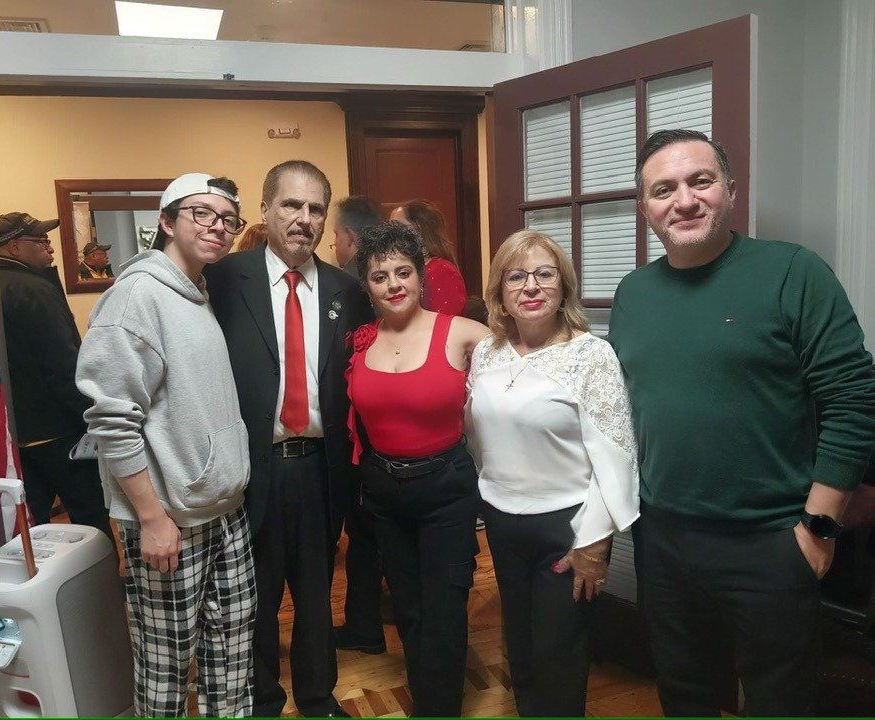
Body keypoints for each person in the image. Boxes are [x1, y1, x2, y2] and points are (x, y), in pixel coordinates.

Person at [608, 129, 875, 716]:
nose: (684, 200)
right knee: (684, 696)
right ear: (644, 207)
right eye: (663, 189)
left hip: (771, 540)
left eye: (700, 181)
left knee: (781, 702)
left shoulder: (793, 272)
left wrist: (819, 527)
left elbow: (853, 399)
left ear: (730, 189)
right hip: (665, 540)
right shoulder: (633, 294)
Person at [76, 173, 256, 717]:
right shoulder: (136, 296)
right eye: (201, 213)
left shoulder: (199, 293)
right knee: (165, 667)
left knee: (232, 655)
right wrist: (152, 518)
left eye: (228, 219)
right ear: (166, 221)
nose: (217, 227)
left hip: (224, 509)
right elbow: (111, 420)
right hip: (167, 519)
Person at [204, 160, 373, 718]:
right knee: (255, 594)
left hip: (322, 468)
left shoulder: (348, 290)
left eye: (315, 209)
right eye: (291, 205)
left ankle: (318, 699)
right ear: (265, 209)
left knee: (317, 593)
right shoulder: (225, 278)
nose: (304, 219)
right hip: (253, 467)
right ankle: (262, 701)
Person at [465, 229, 639, 716]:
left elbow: (617, 454)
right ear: (500, 291)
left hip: (567, 527)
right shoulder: (488, 351)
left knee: (559, 654)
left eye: (545, 274)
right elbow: (477, 435)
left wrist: (595, 543)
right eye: (515, 277)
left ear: (563, 286)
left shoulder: (592, 356)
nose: (531, 286)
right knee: (520, 647)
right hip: (503, 522)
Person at [345, 220, 489, 716]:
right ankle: (428, 697)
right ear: (367, 286)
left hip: (446, 489)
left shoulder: (463, 333)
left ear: (421, 275)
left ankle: (438, 709)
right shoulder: (362, 340)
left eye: (403, 272)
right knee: (407, 607)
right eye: (380, 276)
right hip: (385, 494)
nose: (394, 284)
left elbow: (521, 379)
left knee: (444, 607)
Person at [0, 211, 112, 541]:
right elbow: (64, 364)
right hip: (60, 431)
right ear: (14, 246)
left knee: (32, 527)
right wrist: (91, 418)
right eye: (41, 241)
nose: (50, 248)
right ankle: (98, 576)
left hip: (15, 434)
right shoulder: (34, 289)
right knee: (91, 520)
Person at [329, 194, 386, 654]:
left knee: (364, 536)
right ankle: (368, 624)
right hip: (386, 437)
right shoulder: (389, 283)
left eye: (334, 237)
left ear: (348, 236)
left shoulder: (348, 287)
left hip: (357, 437)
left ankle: (364, 626)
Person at [391, 199, 467, 315]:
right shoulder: (400, 271)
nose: (390, 235)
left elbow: (443, 322)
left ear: (422, 231)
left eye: (398, 228)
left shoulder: (441, 271)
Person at [332, 195, 382, 276]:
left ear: (350, 236)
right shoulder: (386, 271)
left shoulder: (345, 281)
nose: (335, 242)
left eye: (336, 234)